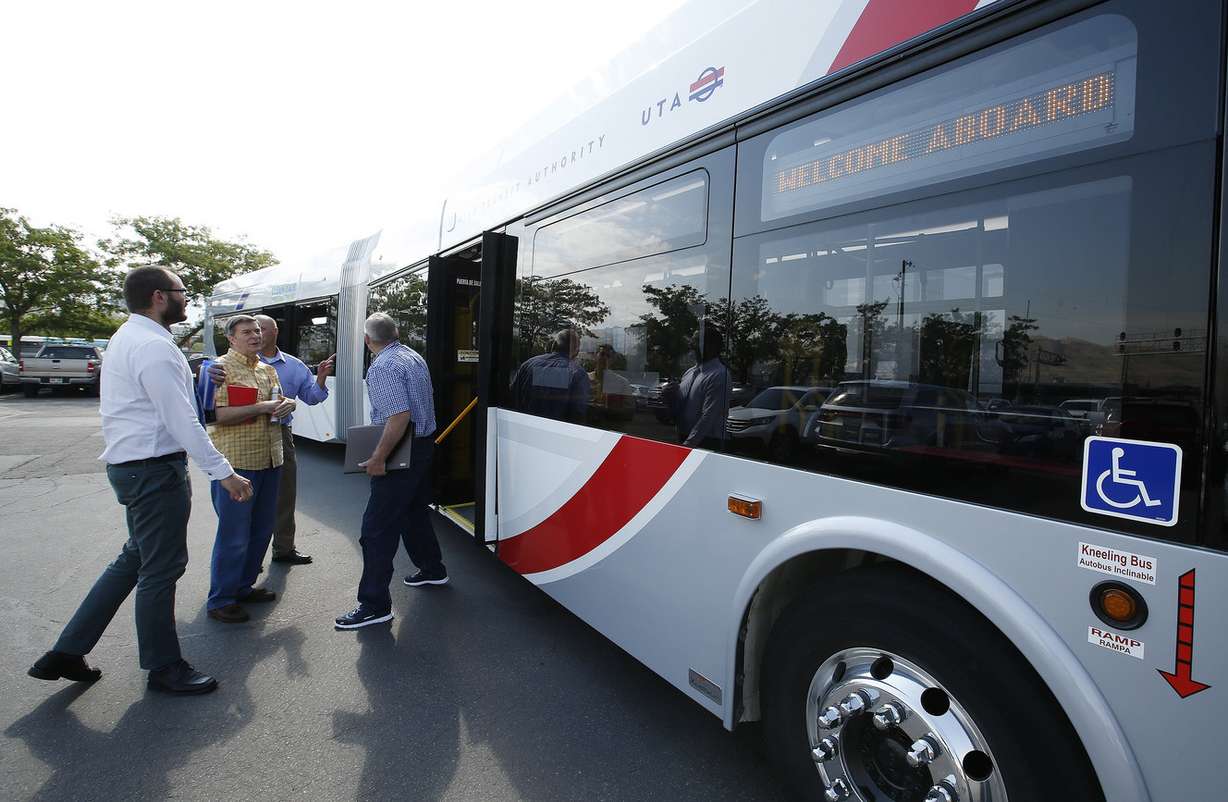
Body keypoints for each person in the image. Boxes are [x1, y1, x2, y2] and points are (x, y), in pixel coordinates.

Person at [27, 266, 253, 696]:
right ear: (158, 297)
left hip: (136, 468)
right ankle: (164, 666)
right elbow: (181, 419)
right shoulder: (152, 346)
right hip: (153, 472)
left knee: (135, 559)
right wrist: (223, 472)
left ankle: (66, 652)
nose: (188, 299)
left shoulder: (130, 338)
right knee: (161, 569)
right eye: (182, 292)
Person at [335, 312, 446, 630]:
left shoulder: (382, 366)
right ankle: (432, 569)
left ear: (367, 341)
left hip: (402, 448)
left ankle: (374, 604)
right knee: (414, 513)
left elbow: (398, 417)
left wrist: (378, 458)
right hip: (424, 446)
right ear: (395, 333)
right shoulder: (411, 356)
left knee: (377, 528)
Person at [205, 315, 295, 624]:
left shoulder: (267, 369)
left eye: (257, 330)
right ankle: (220, 599)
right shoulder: (219, 370)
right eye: (247, 332)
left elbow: (279, 401)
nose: (255, 335)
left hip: (271, 458)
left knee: (261, 531)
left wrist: (287, 405)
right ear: (231, 338)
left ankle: (242, 587)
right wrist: (261, 408)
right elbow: (215, 416)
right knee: (234, 535)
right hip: (237, 463)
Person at [247, 314, 333, 564]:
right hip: (246, 433)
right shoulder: (241, 363)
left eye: (261, 329)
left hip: (280, 434)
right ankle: (247, 558)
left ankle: (284, 548)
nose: (256, 334)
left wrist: (321, 379)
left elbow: (313, 397)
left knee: (284, 494)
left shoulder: (294, 366)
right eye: (252, 330)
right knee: (248, 496)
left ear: (275, 332)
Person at [510, 328, 591, 423]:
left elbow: (512, 395)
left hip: (521, 426)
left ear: (554, 345)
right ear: (576, 351)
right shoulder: (578, 373)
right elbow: (578, 415)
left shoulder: (528, 364)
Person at [676, 324, 731, 450]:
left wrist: (687, 447)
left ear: (711, 346)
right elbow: (680, 407)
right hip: (684, 438)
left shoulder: (720, 375)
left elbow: (708, 417)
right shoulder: (689, 373)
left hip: (706, 443)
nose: (691, 346)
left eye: (696, 342)